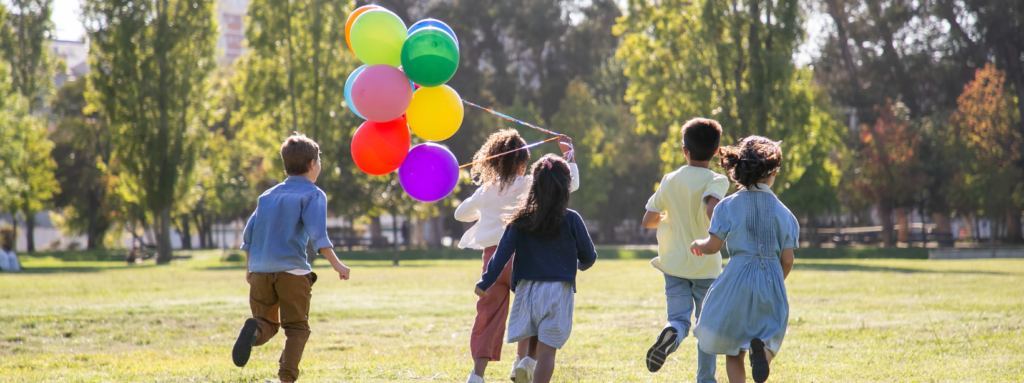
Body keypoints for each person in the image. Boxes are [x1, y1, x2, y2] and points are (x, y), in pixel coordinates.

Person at [455, 129, 579, 383]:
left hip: (492, 261)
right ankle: (522, 362)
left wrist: (487, 211)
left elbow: (460, 214)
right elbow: (569, 184)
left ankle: (477, 375)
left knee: (487, 316)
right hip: (522, 258)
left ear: (493, 161)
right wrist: (570, 158)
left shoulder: (486, 190)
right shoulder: (528, 183)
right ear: (523, 161)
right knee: (530, 311)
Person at [232, 134, 352, 383]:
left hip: (260, 270)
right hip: (292, 272)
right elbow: (318, 235)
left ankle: (254, 331)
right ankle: (286, 378)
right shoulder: (313, 195)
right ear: (311, 164)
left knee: (266, 322)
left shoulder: (267, 196)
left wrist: (249, 268)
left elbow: (248, 235)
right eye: (319, 160)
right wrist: (337, 264)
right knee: (297, 328)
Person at [475, 154, 597, 383]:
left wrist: (485, 282)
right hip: (557, 291)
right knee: (548, 352)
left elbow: (501, 256)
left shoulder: (520, 219)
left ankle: (526, 362)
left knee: (534, 330)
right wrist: (579, 264)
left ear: (534, 185)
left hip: (526, 291)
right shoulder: (572, 219)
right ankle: (531, 366)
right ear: (566, 187)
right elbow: (589, 256)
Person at [690, 136, 798, 383]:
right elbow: (788, 259)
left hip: (736, 279)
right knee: (770, 333)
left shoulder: (727, 206)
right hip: (771, 279)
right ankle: (762, 353)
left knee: (733, 346)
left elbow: (713, 245)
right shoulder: (785, 214)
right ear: (773, 172)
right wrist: (775, 279)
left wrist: (698, 244)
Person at [641, 118, 729, 380]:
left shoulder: (670, 179)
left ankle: (673, 333)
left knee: (679, 318)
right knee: (707, 326)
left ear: (684, 150)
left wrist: (668, 217)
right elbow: (712, 209)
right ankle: (705, 378)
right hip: (705, 266)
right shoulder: (717, 180)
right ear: (715, 151)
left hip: (674, 264)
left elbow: (648, 220)